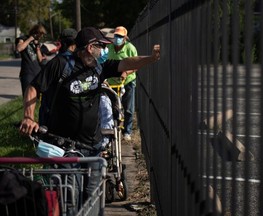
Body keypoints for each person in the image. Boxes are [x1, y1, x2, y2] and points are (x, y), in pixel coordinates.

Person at [19, 26, 160, 209]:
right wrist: (28, 117)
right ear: (90, 47)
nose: (105, 50)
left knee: (93, 200)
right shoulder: (61, 64)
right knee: (71, 201)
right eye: (101, 45)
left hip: (93, 148)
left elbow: (126, 63)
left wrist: (150, 59)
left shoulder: (99, 66)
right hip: (65, 148)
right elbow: (33, 87)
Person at [106, 26, 138, 141]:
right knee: (110, 107)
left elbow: (136, 65)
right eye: (116, 36)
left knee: (128, 107)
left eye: (120, 36)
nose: (117, 38)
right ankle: (111, 129)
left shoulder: (130, 48)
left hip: (127, 81)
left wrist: (126, 73)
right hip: (111, 82)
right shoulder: (108, 48)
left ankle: (127, 131)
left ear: (125, 38)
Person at [16, 23, 47, 96]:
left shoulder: (37, 43)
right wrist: (30, 39)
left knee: (38, 97)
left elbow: (40, 60)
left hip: (37, 73)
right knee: (27, 96)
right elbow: (19, 48)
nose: (40, 38)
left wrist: (37, 47)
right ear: (35, 33)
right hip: (27, 73)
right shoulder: (22, 39)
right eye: (39, 35)